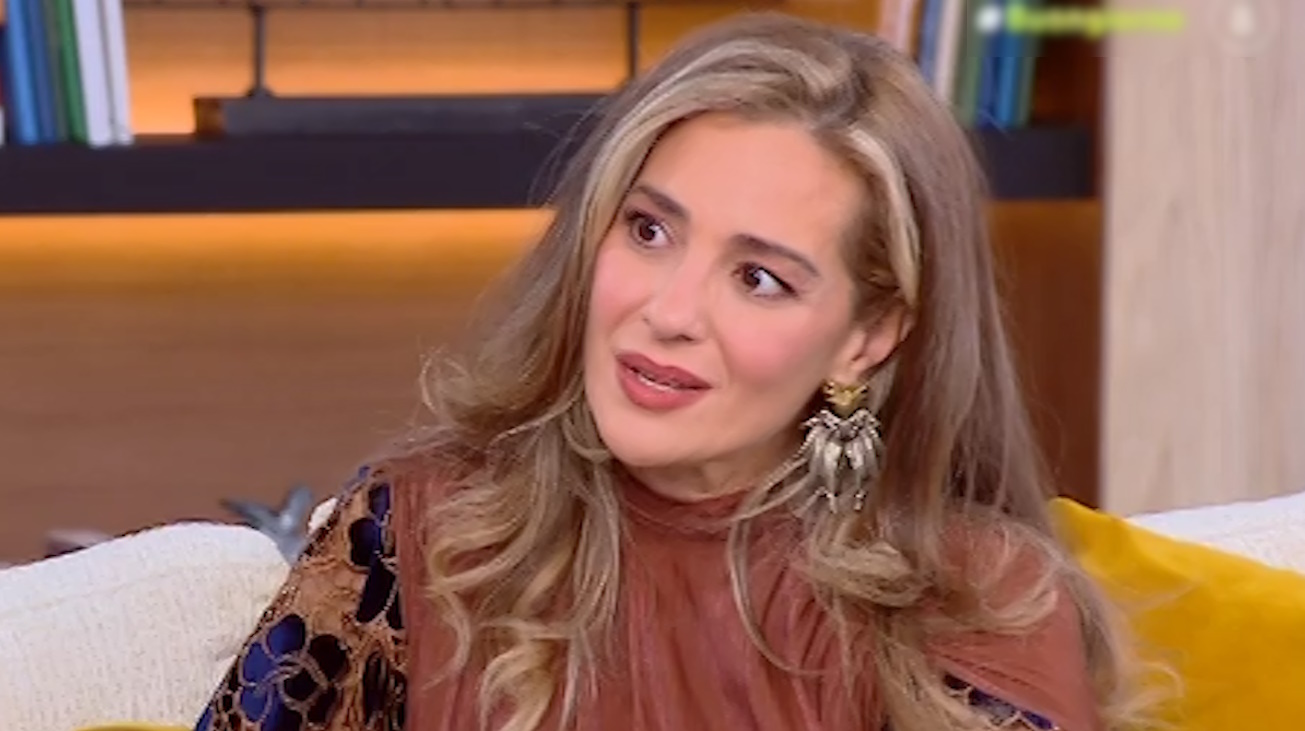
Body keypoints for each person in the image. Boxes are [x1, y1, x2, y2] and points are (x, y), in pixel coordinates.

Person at [194, 11, 1147, 731]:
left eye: (759, 277)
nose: (668, 311)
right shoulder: (414, 532)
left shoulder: (976, 603)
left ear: (868, 337)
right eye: (649, 230)